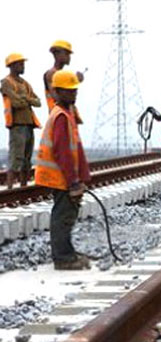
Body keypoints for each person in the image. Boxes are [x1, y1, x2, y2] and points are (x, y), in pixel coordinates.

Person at [34, 70, 91, 270]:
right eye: (68, 91)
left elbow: (75, 149)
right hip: (60, 177)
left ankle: (67, 252)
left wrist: (82, 176)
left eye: (74, 90)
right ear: (57, 92)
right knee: (63, 216)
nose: (73, 94)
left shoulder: (67, 114)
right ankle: (63, 258)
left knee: (67, 214)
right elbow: (63, 152)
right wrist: (73, 182)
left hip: (63, 176)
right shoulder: (61, 116)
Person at [1, 53, 41, 189]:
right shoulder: (6, 82)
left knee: (26, 160)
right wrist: (26, 99)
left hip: (29, 125)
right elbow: (16, 103)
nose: (23, 66)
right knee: (15, 158)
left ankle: (23, 188)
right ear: (11, 66)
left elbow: (38, 102)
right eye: (20, 64)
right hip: (17, 125)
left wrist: (26, 99)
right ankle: (10, 188)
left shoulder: (25, 84)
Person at [43, 40, 84, 120]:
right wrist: (74, 81)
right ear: (56, 54)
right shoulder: (52, 74)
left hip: (65, 115)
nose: (69, 57)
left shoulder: (61, 74)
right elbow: (58, 97)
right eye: (66, 54)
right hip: (59, 116)